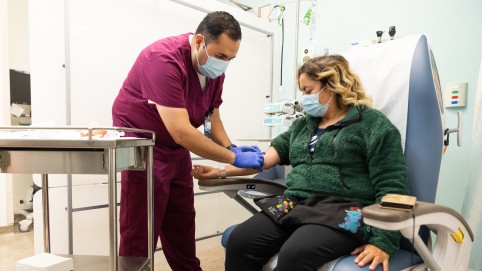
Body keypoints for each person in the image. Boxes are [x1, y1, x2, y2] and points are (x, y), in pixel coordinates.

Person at [192, 54, 409, 271]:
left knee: (296, 253)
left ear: (332, 87)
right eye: (302, 91)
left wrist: (383, 242)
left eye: (309, 91)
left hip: (343, 208)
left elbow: (392, 185)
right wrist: (221, 172)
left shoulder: (373, 125)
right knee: (240, 241)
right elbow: (263, 160)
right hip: (296, 203)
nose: (304, 98)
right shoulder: (302, 126)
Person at [112, 11, 264, 271]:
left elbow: (211, 112)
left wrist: (230, 146)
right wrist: (233, 158)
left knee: (181, 218)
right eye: (220, 56)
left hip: (176, 146)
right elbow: (181, 130)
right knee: (142, 223)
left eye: (231, 59)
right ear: (199, 41)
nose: (224, 64)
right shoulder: (162, 59)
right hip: (143, 145)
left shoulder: (214, 70)